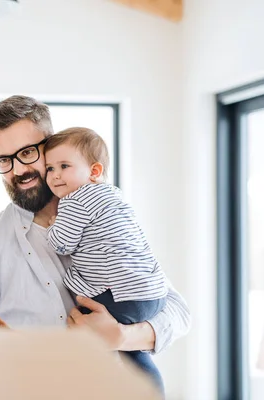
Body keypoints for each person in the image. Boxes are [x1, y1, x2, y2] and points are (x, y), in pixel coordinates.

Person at [0, 95, 190, 393]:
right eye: (4, 160)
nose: (17, 171)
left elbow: (178, 311)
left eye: (27, 153)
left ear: (50, 147)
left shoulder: (106, 215)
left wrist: (121, 337)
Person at [44, 127, 168, 390]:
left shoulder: (74, 200)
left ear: (94, 171)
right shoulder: (113, 194)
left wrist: (54, 225)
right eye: (50, 169)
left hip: (122, 296)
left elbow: (61, 243)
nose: (55, 176)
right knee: (133, 353)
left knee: (82, 323)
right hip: (153, 293)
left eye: (64, 166)